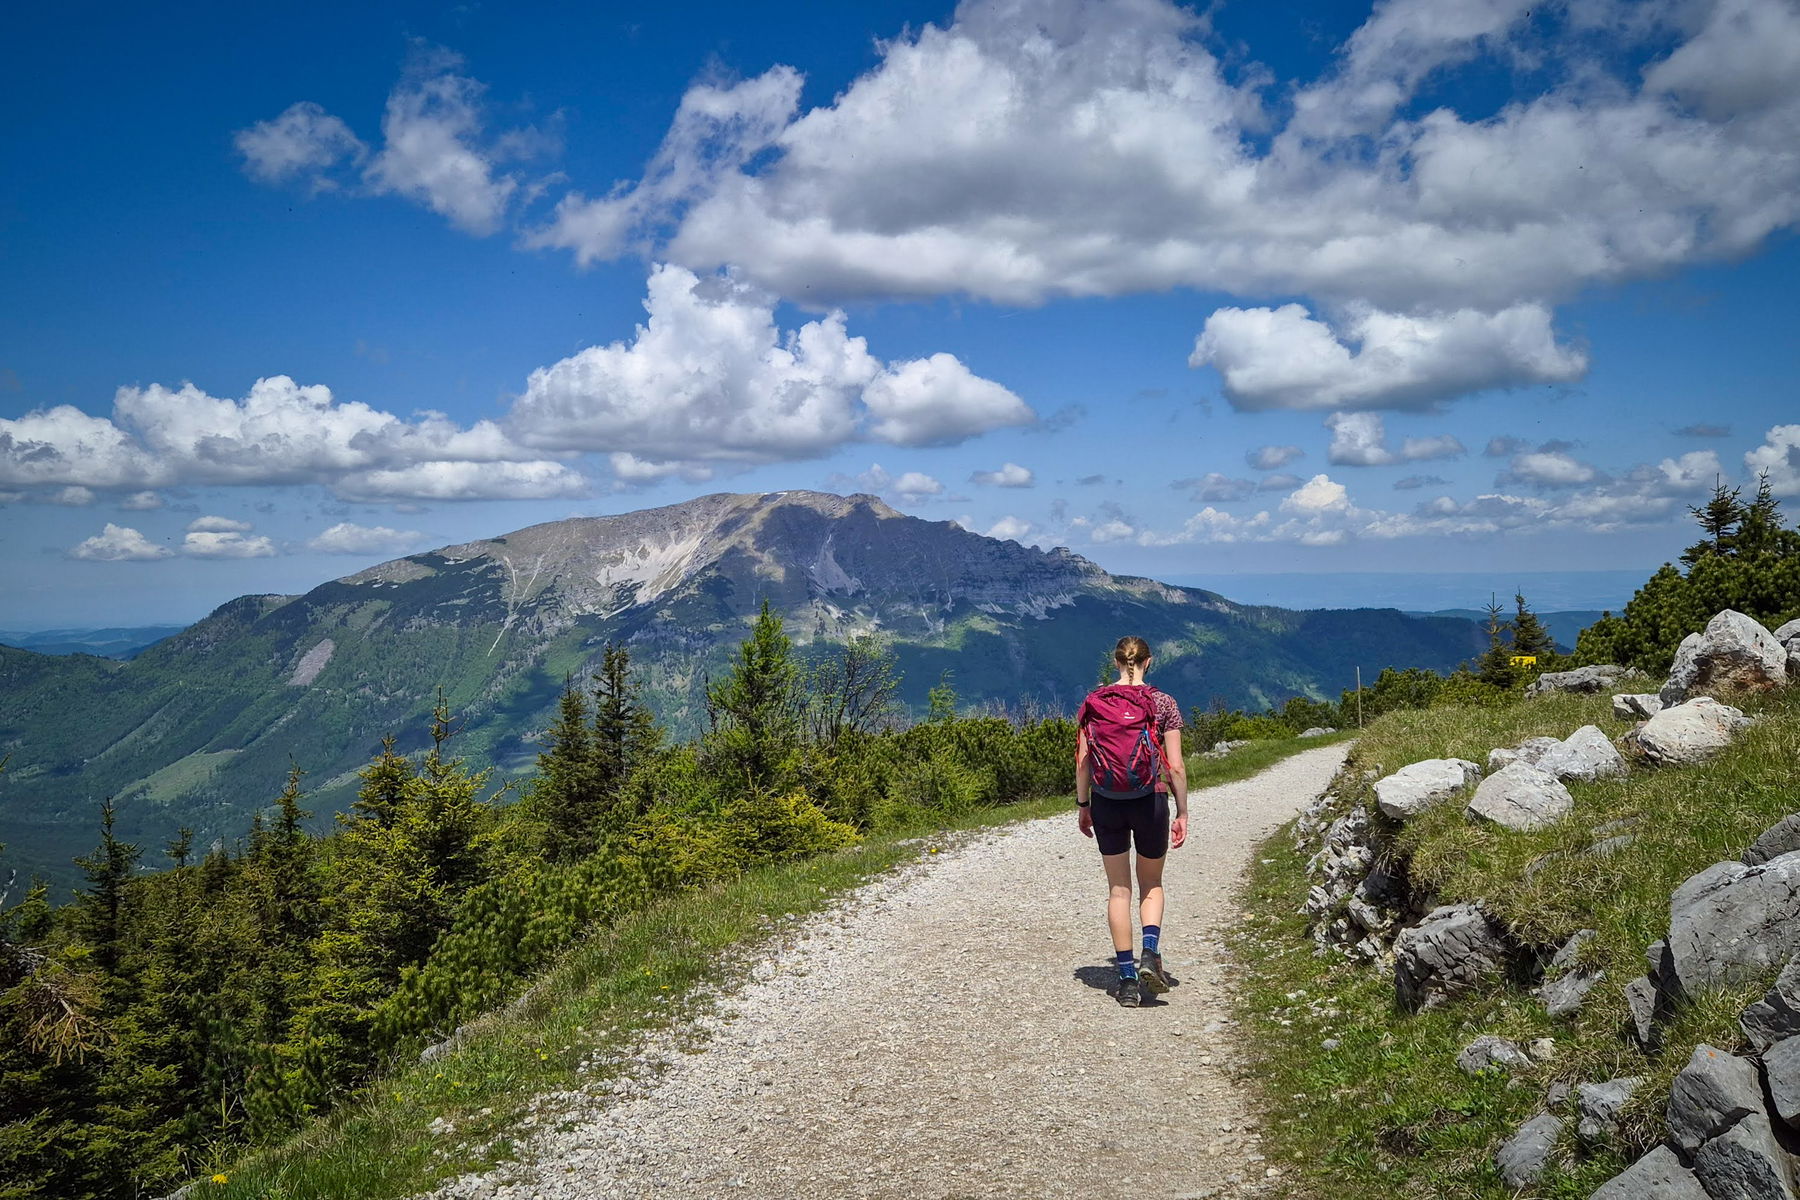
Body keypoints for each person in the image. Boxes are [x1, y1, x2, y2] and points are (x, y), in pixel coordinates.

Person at [1074, 635, 1189, 1007]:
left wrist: (1083, 804)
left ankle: (1125, 979)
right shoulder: (1163, 703)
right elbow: (1175, 766)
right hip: (1151, 799)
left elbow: (1082, 761)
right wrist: (1183, 811)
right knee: (1151, 883)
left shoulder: (1094, 703)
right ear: (1148, 662)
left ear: (1116, 662)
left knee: (1118, 890)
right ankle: (1150, 953)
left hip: (1107, 801)